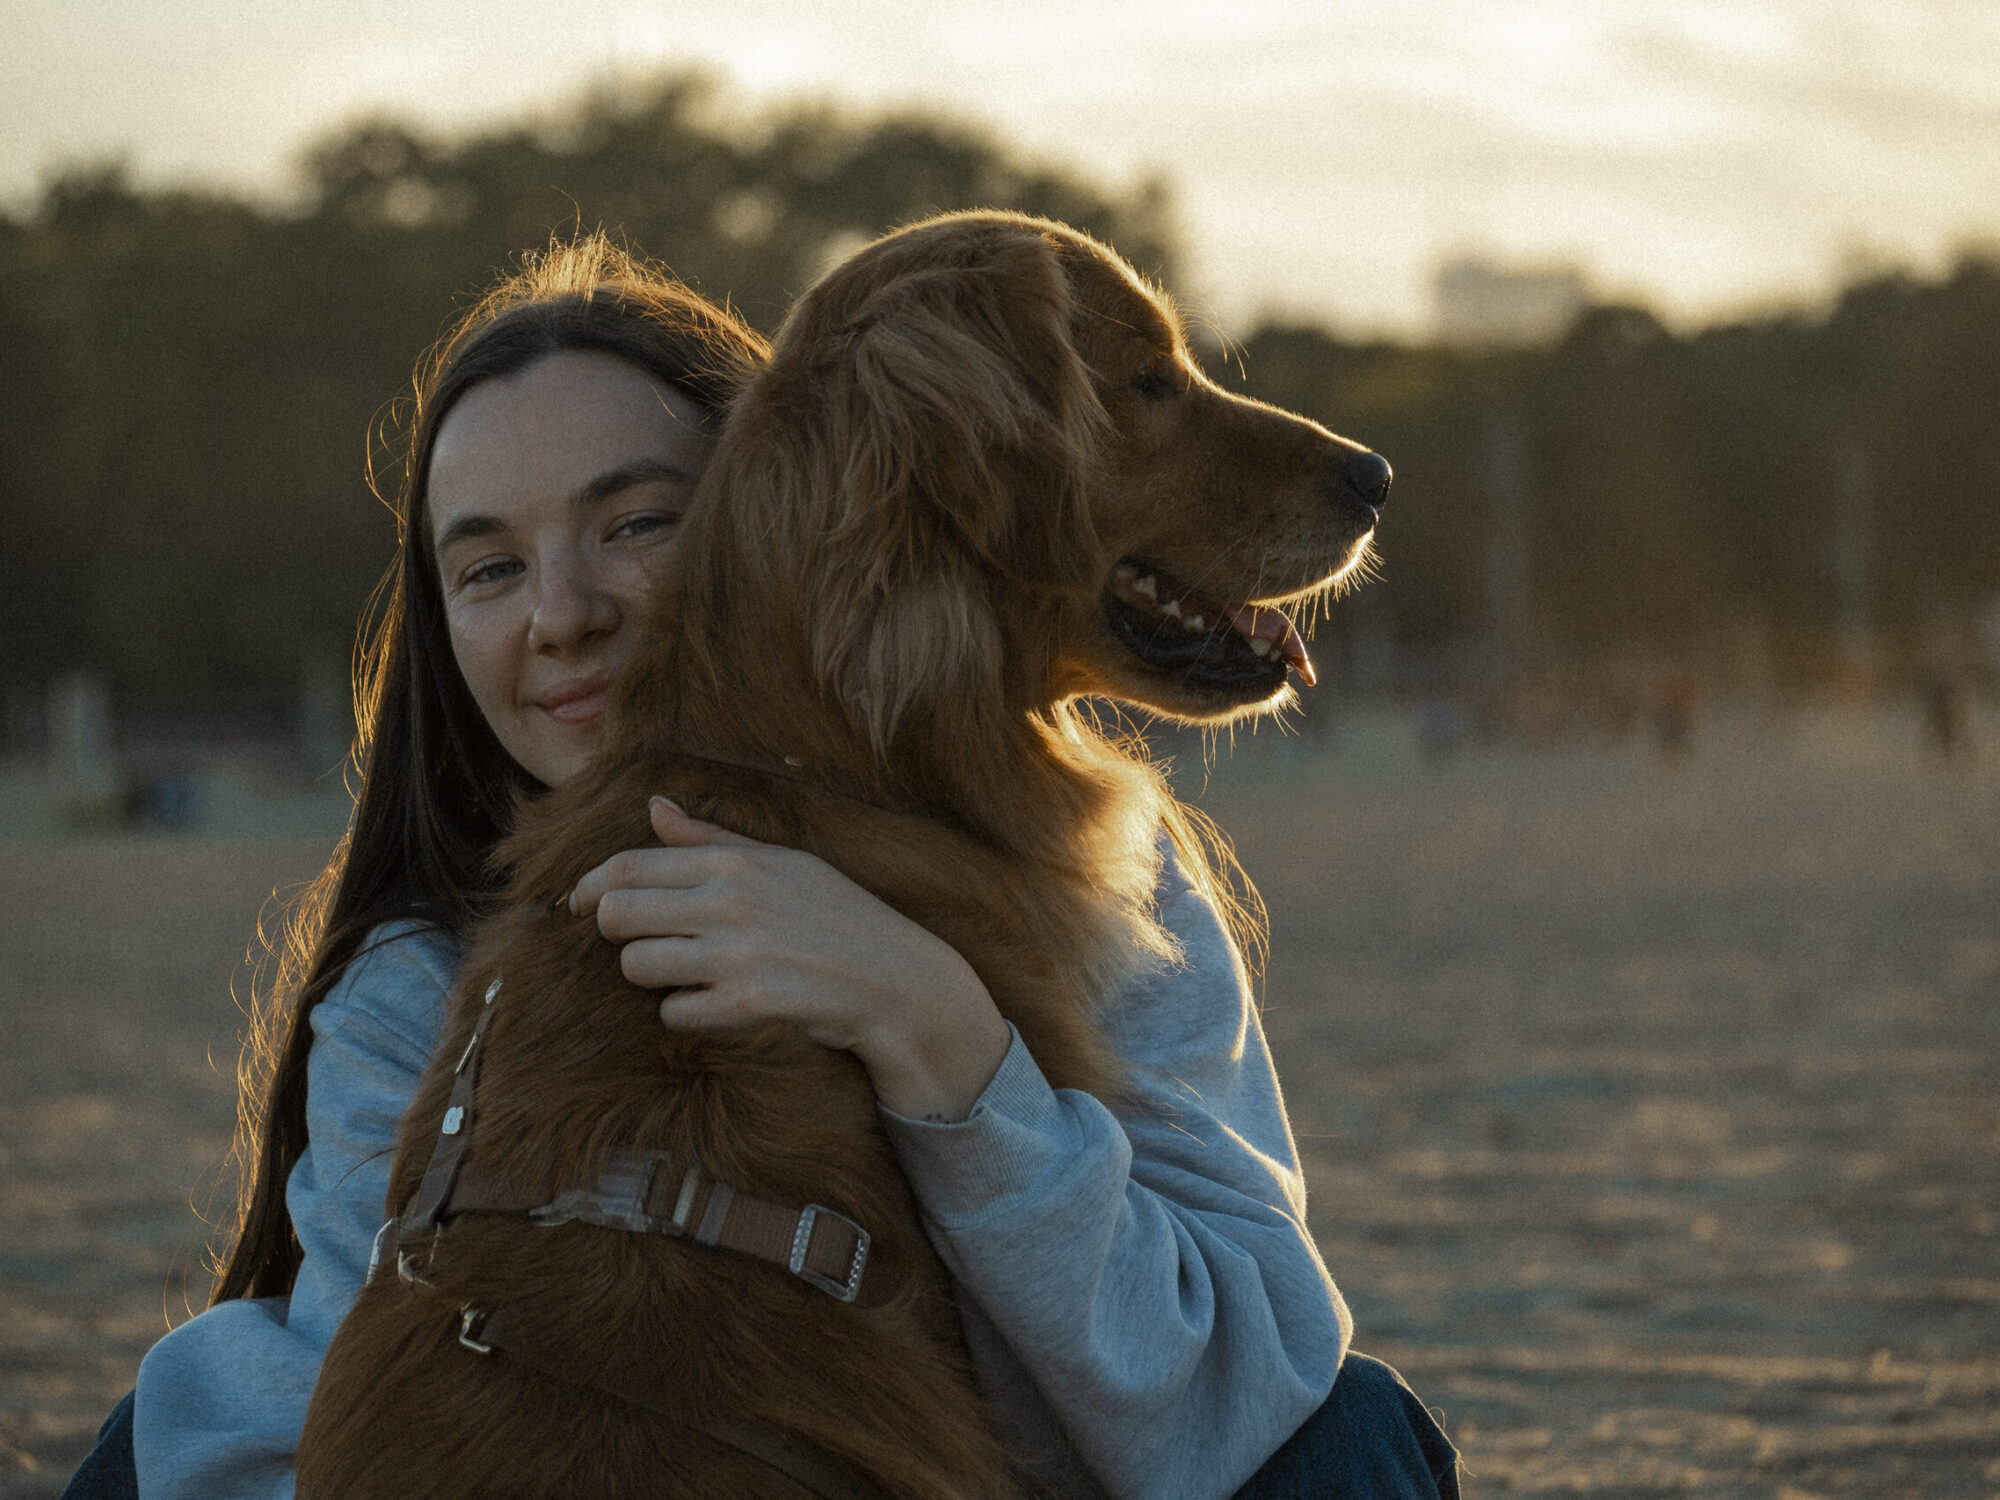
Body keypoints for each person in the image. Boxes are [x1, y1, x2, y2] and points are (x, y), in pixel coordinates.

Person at [62, 235, 1459, 1500]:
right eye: (487, 568)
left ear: (794, 504)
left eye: (639, 525)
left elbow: (1236, 1396)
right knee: (162, 1432)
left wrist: (942, 1037)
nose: (565, 613)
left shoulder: (1130, 910)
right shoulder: (410, 989)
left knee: (1345, 1441)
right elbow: (376, 1422)